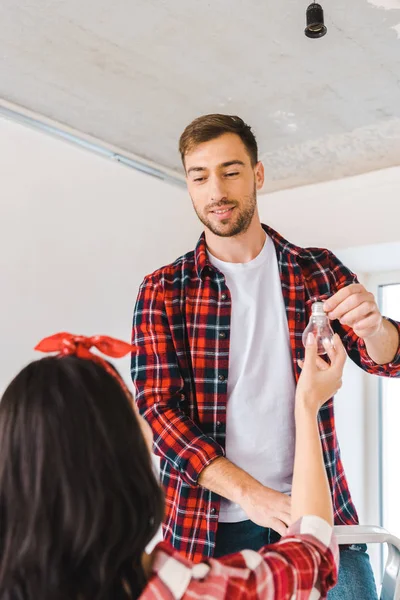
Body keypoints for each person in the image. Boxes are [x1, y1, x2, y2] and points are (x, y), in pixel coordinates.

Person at [131, 114, 400, 599]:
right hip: (209, 530)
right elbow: (157, 411)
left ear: (257, 174)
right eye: (200, 176)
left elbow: (387, 360)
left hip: (318, 514)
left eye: (231, 171)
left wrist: (376, 326)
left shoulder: (315, 269)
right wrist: (251, 496)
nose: (216, 190)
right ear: (189, 186)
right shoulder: (163, 291)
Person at [0, 330, 342, 599]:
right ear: (123, 463)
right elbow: (313, 552)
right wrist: (308, 405)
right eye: (138, 418)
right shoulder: (192, 592)